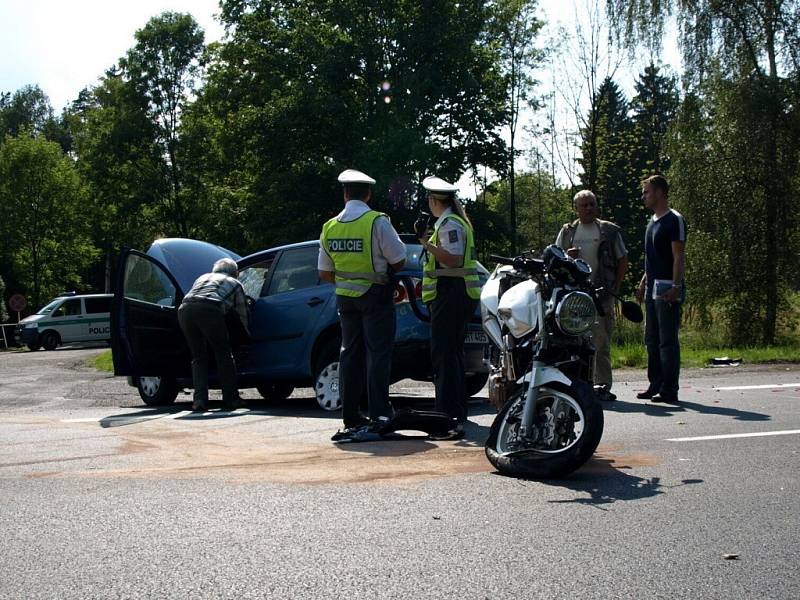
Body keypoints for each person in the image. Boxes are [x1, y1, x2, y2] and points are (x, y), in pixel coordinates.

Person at [318, 169, 406, 441]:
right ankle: (380, 412)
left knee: (349, 354)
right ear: (368, 194)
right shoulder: (376, 221)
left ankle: (350, 415)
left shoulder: (330, 226)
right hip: (375, 295)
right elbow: (399, 258)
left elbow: (324, 272)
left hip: (345, 297)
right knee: (378, 354)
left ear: (345, 193)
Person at [418, 175, 481, 440]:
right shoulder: (451, 221)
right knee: (450, 355)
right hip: (454, 295)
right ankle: (455, 411)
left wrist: (425, 243)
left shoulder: (449, 223)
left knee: (444, 355)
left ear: (434, 201)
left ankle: (446, 413)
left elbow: (453, 260)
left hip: (452, 294)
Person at [556, 190, 628, 402]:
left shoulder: (608, 230)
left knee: (601, 341)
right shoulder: (568, 231)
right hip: (574, 296)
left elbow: (622, 260)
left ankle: (602, 386)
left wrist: (615, 286)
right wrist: (567, 257)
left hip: (602, 295)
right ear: (575, 208)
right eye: (584, 205)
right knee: (573, 342)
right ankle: (579, 385)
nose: (588, 208)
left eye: (591, 204)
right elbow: (554, 257)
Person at [635, 174, 687, 404]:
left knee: (667, 341)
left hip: (667, 288)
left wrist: (676, 286)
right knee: (651, 339)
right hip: (652, 288)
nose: (643, 196)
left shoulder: (674, 220)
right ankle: (655, 383)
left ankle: (669, 388)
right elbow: (652, 258)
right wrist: (644, 281)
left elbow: (678, 256)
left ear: (659, 192)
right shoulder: (652, 222)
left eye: (647, 192)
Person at [178, 257, 250, 412]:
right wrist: (246, 334)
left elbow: (194, 297)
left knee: (198, 357)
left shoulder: (202, 277)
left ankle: (199, 400)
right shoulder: (235, 283)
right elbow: (242, 311)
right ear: (236, 273)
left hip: (185, 309)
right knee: (223, 354)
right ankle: (231, 399)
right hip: (210, 308)